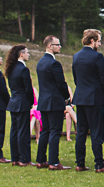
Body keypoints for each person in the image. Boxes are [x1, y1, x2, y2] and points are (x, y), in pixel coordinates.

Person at [72, 29, 104, 172]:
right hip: (94, 98)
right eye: (99, 41)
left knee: (81, 132)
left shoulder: (76, 56)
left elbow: (76, 78)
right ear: (92, 41)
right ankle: (99, 164)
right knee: (96, 132)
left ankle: (80, 163)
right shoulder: (97, 56)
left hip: (80, 97)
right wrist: (101, 95)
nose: (100, 44)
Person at [35, 35, 71, 170]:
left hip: (44, 101)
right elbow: (61, 84)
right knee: (55, 131)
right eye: (57, 44)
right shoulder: (54, 63)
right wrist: (67, 97)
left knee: (46, 131)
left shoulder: (40, 62)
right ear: (50, 46)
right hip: (54, 101)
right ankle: (54, 162)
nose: (60, 46)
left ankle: (41, 160)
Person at [5, 45, 35, 167]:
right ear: (21, 54)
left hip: (14, 102)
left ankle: (15, 158)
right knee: (23, 131)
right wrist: (31, 101)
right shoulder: (23, 69)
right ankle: (24, 159)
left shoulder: (11, 68)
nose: (29, 55)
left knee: (14, 131)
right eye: (27, 53)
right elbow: (28, 88)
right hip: (22, 102)